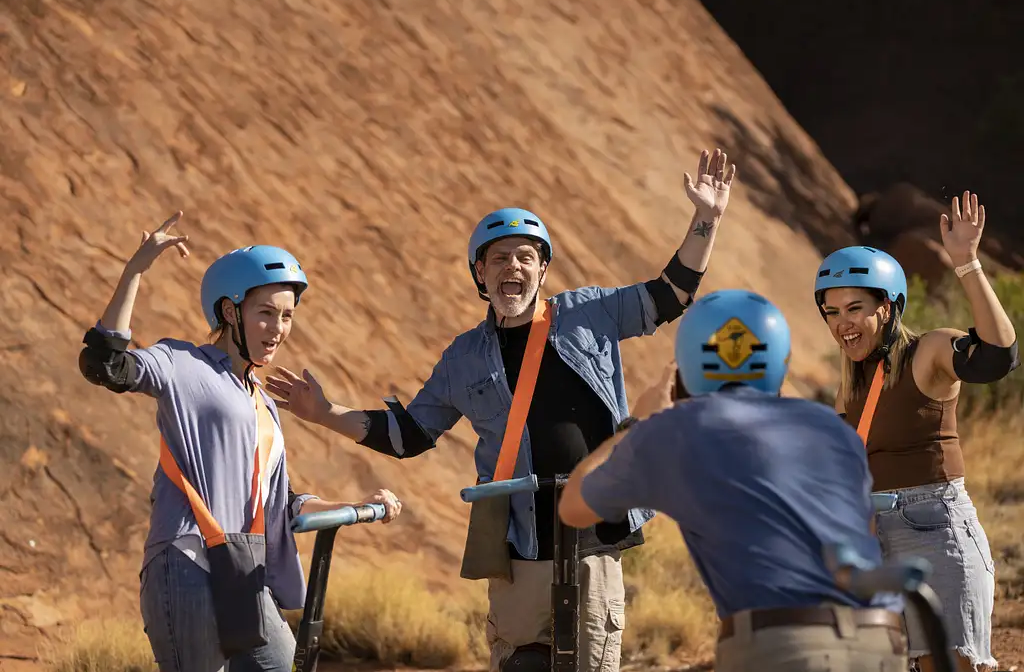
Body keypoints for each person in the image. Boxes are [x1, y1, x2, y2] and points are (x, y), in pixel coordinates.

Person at [265, 148, 738, 672]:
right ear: (481, 275)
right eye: (498, 258)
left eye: (524, 256)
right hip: (519, 553)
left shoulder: (590, 312)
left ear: (542, 269)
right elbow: (409, 434)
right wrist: (325, 411)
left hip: (594, 540)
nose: (512, 266)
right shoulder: (463, 358)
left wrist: (705, 219)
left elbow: (671, 293)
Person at [77, 211, 403, 672]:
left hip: (244, 571)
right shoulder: (183, 363)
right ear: (231, 312)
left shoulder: (264, 404)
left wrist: (355, 506)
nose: (278, 328)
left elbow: (282, 506)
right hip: (186, 561)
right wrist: (135, 271)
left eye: (287, 316)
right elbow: (105, 366)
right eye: (265, 313)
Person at [557, 289, 909, 672]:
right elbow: (863, 531)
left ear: (687, 368)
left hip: (779, 645)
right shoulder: (830, 427)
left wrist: (639, 425)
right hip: (880, 641)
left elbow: (574, 505)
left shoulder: (673, 431)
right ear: (779, 361)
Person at [813, 192, 1019, 672]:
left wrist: (966, 264)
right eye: (832, 311)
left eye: (854, 307)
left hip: (934, 531)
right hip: (869, 542)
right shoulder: (849, 391)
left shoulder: (928, 351)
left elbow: (998, 357)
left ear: (887, 308)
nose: (842, 322)